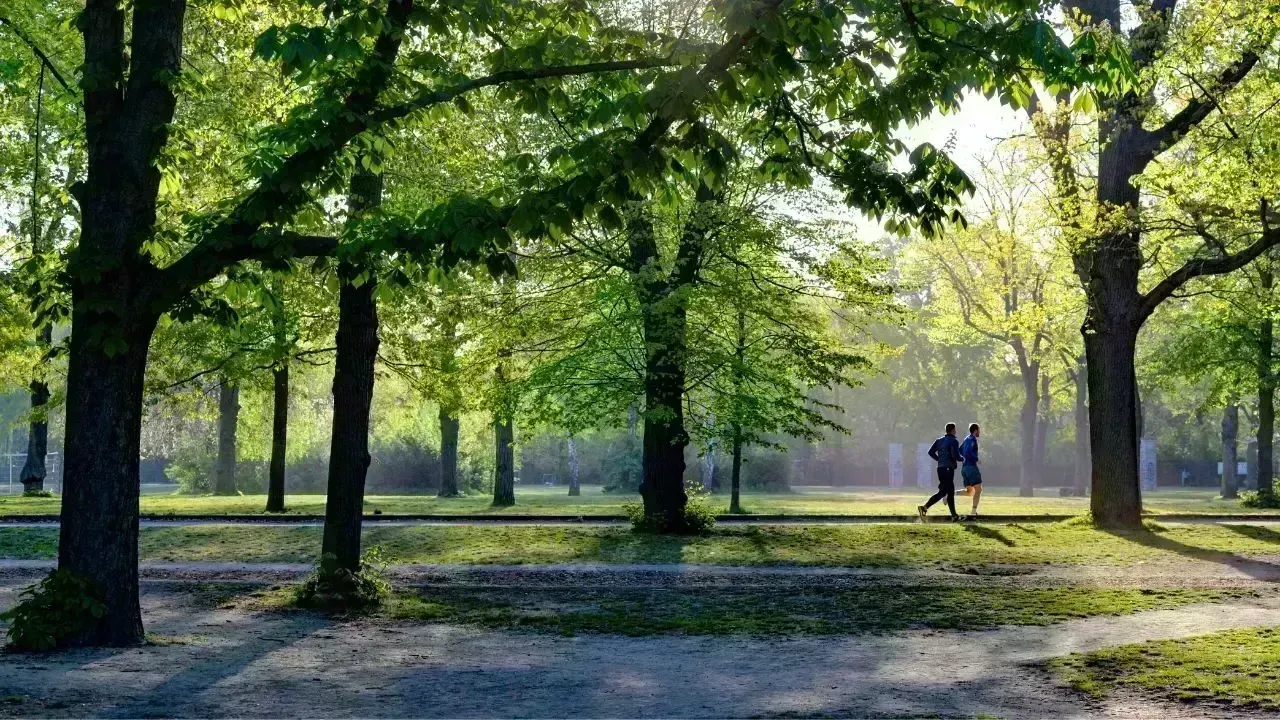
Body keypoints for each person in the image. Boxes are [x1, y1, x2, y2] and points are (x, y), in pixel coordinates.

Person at [918, 423, 962, 522]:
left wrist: (939, 459)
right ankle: (924, 508)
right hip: (948, 469)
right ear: (952, 430)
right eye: (955, 429)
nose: (956, 431)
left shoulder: (939, 440)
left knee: (949, 492)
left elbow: (930, 452)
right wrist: (962, 459)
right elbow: (956, 456)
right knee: (944, 492)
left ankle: (954, 516)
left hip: (940, 469)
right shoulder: (954, 441)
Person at [959, 423, 982, 520]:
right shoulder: (972, 439)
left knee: (969, 492)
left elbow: (960, 450)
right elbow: (968, 452)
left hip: (964, 468)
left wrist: (963, 458)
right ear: (975, 430)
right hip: (971, 467)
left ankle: (948, 496)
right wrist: (976, 459)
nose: (980, 432)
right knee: (978, 490)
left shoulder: (966, 439)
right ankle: (973, 512)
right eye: (979, 430)